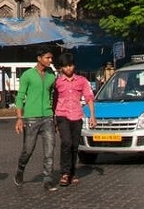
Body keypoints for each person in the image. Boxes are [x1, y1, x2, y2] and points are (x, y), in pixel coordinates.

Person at [14, 46, 58, 192]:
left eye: (51, 58)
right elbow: (20, 97)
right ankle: (20, 169)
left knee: (49, 150)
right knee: (28, 150)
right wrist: (19, 118)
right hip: (31, 117)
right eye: (47, 57)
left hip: (47, 116)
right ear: (39, 58)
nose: (50, 60)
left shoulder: (52, 75)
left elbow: (53, 95)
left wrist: (54, 113)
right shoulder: (28, 75)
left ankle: (47, 179)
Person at [53, 52, 95, 187]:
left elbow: (89, 98)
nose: (68, 69)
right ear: (61, 68)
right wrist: (53, 118)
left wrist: (92, 116)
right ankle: (64, 173)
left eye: (70, 65)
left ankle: (72, 171)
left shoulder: (82, 81)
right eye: (65, 66)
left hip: (77, 116)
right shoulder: (57, 82)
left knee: (75, 145)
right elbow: (54, 100)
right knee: (66, 142)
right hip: (62, 115)